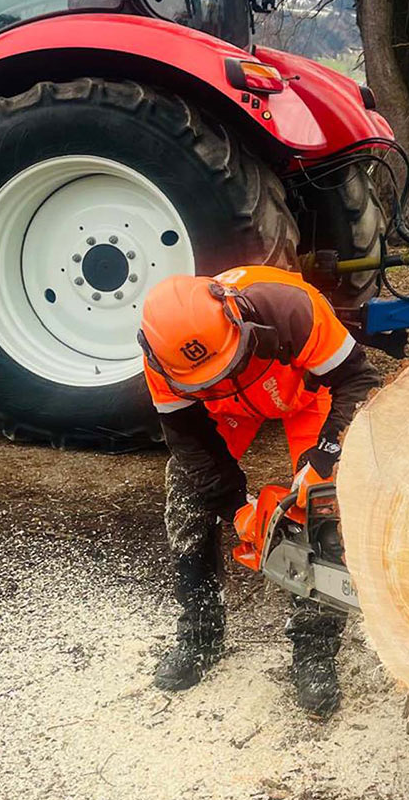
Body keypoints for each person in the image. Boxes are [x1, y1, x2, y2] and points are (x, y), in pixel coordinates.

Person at [138, 264, 380, 715]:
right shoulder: (160, 361)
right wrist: (236, 509)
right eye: (202, 378)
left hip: (309, 397)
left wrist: (324, 458)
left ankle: (315, 651)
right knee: (187, 491)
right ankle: (199, 633)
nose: (217, 375)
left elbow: (359, 381)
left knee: (323, 501)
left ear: (237, 317)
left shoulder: (291, 307)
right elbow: (192, 445)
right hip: (229, 412)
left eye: (224, 364)